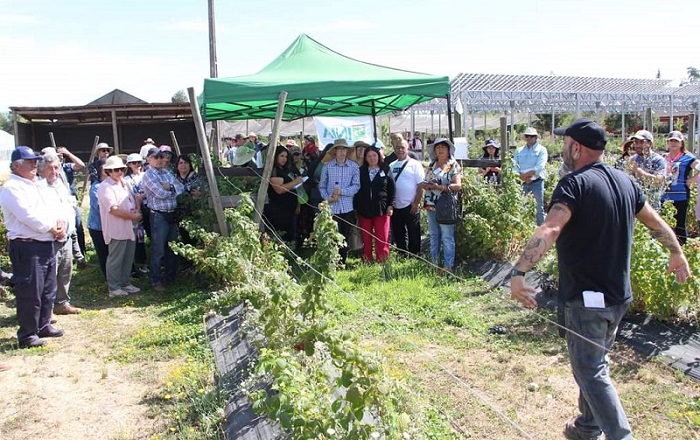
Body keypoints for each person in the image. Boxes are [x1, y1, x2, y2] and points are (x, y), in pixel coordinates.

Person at [510, 118, 690, 440]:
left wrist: (519, 272)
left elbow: (550, 228)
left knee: (591, 369)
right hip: (619, 296)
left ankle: (621, 436)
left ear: (576, 147)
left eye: (566, 143)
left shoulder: (574, 184)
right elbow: (654, 221)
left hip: (587, 299)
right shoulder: (625, 182)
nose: (563, 148)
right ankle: (587, 427)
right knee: (594, 362)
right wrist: (676, 251)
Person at [0, 146, 69, 348]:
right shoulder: (11, 188)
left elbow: (54, 207)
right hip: (27, 246)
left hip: (45, 243)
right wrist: (52, 228)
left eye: (34, 161)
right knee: (30, 291)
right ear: (16, 165)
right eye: (29, 162)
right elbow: (28, 216)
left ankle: (43, 324)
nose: (34, 165)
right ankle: (28, 334)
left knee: (48, 288)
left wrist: (60, 223)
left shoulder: (36, 185)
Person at [38, 152, 82, 315]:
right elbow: (40, 213)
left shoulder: (61, 186)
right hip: (50, 237)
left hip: (66, 236)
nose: (54, 171)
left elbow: (69, 208)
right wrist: (55, 227)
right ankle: (46, 309)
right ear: (41, 170)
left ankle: (62, 302)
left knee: (66, 270)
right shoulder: (38, 188)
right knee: (50, 274)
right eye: (49, 168)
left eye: (56, 167)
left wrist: (67, 226)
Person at [98, 156, 142, 298]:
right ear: (109, 171)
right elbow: (114, 209)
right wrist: (133, 217)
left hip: (129, 226)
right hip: (116, 228)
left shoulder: (123, 184)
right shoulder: (105, 187)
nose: (119, 172)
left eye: (121, 169)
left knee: (128, 257)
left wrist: (135, 211)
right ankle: (114, 287)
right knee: (116, 258)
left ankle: (124, 282)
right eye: (116, 170)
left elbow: (131, 200)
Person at [141, 147, 184, 292]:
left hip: (171, 214)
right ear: (149, 159)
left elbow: (180, 187)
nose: (160, 159)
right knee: (158, 249)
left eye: (161, 156)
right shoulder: (148, 176)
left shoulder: (167, 172)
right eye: (156, 157)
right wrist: (173, 190)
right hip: (159, 215)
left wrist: (170, 187)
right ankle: (156, 280)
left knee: (172, 247)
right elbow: (160, 194)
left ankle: (171, 277)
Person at [419, 138, 462, 273]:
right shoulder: (432, 165)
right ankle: (434, 264)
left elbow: (458, 185)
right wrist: (426, 185)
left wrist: (440, 187)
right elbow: (425, 181)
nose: (440, 149)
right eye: (438, 147)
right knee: (434, 235)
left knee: (447, 236)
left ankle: (448, 266)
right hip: (431, 204)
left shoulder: (453, 165)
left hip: (446, 206)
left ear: (448, 150)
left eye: (443, 147)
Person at [319, 139, 360, 264]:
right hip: (332, 208)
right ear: (335, 151)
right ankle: (333, 260)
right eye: (339, 149)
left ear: (347, 152)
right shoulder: (328, 166)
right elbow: (322, 186)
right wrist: (327, 198)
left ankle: (342, 260)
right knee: (333, 234)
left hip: (347, 207)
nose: (342, 152)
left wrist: (342, 192)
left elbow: (356, 186)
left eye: (344, 149)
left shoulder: (353, 166)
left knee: (346, 234)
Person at [355, 146, 395, 263]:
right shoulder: (361, 170)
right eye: (369, 156)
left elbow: (392, 188)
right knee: (366, 237)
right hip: (364, 209)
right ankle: (367, 259)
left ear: (378, 156)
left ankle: (382, 260)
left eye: (374, 155)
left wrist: (390, 205)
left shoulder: (385, 169)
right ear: (366, 158)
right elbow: (357, 190)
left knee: (382, 237)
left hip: (382, 209)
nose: (372, 158)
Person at [661, 131, 699, 244]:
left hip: (681, 196)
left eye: (676, 141)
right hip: (664, 196)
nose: (673, 143)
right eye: (671, 140)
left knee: (680, 224)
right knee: (664, 223)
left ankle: (682, 247)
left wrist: (690, 181)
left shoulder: (688, 158)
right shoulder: (663, 157)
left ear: (681, 143)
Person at [389, 139, 425, 256]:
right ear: (394, 150)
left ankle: (415, 255)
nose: (400, 150)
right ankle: (402, 254)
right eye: (398, 147)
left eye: (402, 147)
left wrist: (416, 203)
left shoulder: (415, 164)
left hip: (410, 204)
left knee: (413, 232)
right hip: (396, 205)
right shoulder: (391, 165)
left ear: (407, 148)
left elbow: (420, 185)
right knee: (399, 231)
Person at [263, 146, 304, 244]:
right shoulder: (274, 170)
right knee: (281, 235)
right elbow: (279, 189)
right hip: (279, 210)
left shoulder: (283, 169)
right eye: (281, 156)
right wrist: (295, 182)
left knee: (290, 234)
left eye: (286, 156)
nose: (284, 159)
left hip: (288, 210)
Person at [513, 127, 548, 225]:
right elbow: (514, 167)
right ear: (525, 137)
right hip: (522, 182)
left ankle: (540, 231)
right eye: (527, 136)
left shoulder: (542, 150)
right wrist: (522, 177)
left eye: (532, 136)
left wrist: (527, 177)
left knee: (538, 208)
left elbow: (540, 167)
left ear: (536, 137)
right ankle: (522, 231)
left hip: (536, 182)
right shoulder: (519, 151)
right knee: (521, 206)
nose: (529, 138)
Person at [628, 130, 666, 210]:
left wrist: (638, 171)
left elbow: (658, 182)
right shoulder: (632, 159)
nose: (637, 145)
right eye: (636, 142)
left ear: (650, 144)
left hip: (652, 205)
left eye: (641, 142)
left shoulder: (658, 160)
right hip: (634, 204)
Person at [124, 153, 148, 273]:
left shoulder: (146, 175)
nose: (137, 165)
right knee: (139, 237)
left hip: (149, 207)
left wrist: (143, 196)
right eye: (134, 163)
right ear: (129, 165)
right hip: (136, 209)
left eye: (139, 162)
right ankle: (141, 262)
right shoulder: (126, 180)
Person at [87, 158, 109, 277]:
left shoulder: (113, 184)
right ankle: (108, 277)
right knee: (103, 253)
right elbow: (102, 209)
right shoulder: (96, 188)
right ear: (100, 170)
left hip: (110, 225)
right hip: (98, 227)